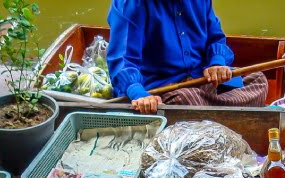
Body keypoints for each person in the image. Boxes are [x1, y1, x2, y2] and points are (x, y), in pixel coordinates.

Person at [106, 0, 268, 114]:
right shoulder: (130, 4)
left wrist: (217, 63)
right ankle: (223, 112)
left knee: (258, 80)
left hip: (202, 81)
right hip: (164, 91)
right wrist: (139, 95)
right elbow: (122, 61)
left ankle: (208, 114)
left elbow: (215, 36)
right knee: (187, 101)